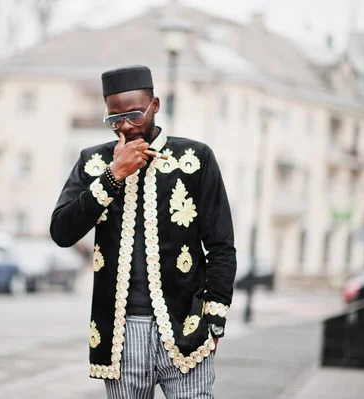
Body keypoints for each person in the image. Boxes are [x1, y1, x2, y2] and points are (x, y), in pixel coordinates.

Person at [50, 65, 236, 399]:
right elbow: (62, 231)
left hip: (187, 327)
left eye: (135, 115)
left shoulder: (195, 159)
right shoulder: (94, 162)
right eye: (114, 119)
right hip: (120, 334)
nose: (125, 127)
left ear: (156, 105)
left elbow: (221, 246)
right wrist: (113, 175)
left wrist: (216, 318)